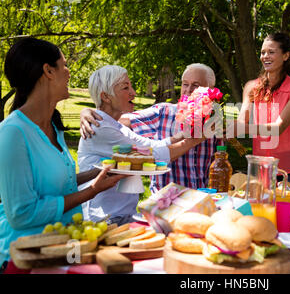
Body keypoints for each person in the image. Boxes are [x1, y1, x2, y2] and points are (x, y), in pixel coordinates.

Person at [0, 38, 126, 272]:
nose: (69, 73)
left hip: (63, 251)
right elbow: (21, 214)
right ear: (48, 71)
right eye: (64, 65)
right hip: (26, 259)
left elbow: (57, 184)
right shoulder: (12, 133)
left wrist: (98, 173)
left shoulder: (54, 126)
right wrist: (92, 191)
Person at [77, 65, 207, 224]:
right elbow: (152, 156)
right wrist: (196, 139)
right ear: (106, 96)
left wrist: (183, 135)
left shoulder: (116, 126)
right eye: (126, 87)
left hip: (121, 216)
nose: (133, 92)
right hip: (101, 220)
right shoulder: (100, 128)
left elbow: (152, 145)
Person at [230, 32, 290, 186]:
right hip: (261, 171)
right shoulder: (251, 87)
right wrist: (229, 127)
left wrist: (241, 128)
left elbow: (278, 128)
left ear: (286, 56)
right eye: (263, 52)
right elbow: (241, 120)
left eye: (271, 52)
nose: (265, 56)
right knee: (260, 209)